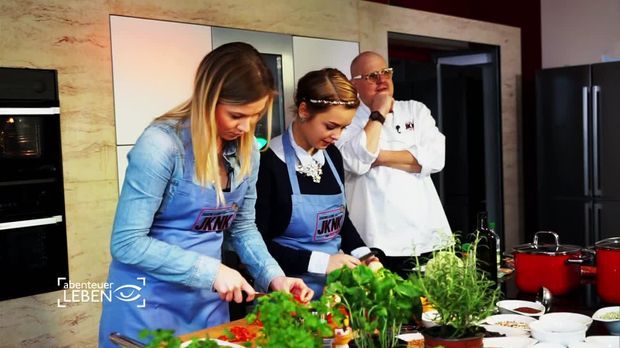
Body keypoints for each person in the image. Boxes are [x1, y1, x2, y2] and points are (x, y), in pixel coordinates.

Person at [99, 42, 312, 347]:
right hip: (146, 305)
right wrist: (210, 272)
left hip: (207, 305)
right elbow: (126, 242)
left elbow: (242, 228)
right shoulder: (161, 146)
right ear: (207, 99)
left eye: (255, 116)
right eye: (237, 115)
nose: (246, 127)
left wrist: (274, 277)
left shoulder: (249, 150)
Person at [255, 68, 378, 299]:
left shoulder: (332, 156)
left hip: (333, 293)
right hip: (288, 293)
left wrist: (366, 257)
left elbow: (340, 221)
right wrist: (322, 262)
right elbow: (256, 244)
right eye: (331, 126)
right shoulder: (268, 162)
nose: (337, 136)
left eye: (344, 127)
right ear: (304, 111)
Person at [336, 51, 451, 277]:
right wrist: (377, 113)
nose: (382, 80)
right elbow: (356, 162)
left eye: (386, 72)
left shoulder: (415, 110)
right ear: (354, 83)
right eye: (372, 76)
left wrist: (377, 157)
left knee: (432, 308)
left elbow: (436, 158)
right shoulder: (346, 118)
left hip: (426, 235)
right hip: (374, 239)